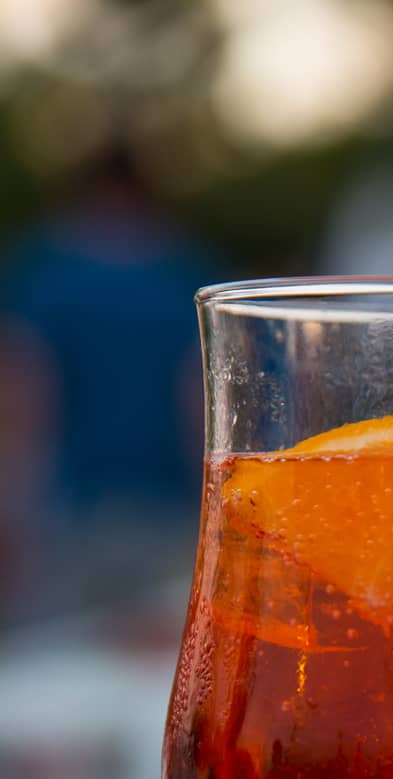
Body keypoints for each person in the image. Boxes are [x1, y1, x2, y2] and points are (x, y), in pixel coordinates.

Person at [0, 142, 218, 624]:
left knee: (58, 662)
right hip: (169, 506)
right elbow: (201, 400)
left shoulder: (43, 274)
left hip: (71, 509)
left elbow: (25, 397)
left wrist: (13, 506)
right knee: (165, 664)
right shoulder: (185, 273)